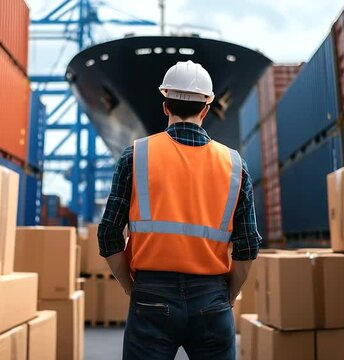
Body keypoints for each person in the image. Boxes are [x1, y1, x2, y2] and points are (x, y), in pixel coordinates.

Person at [97, 60, 262, 360]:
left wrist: (130, 288)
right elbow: (248, 245)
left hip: (150, 293)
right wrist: (229, 295)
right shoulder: (235, 165)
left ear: (164, 106)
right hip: (212, 297)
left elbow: (108, 234)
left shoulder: (135, 155)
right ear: (206, 109)